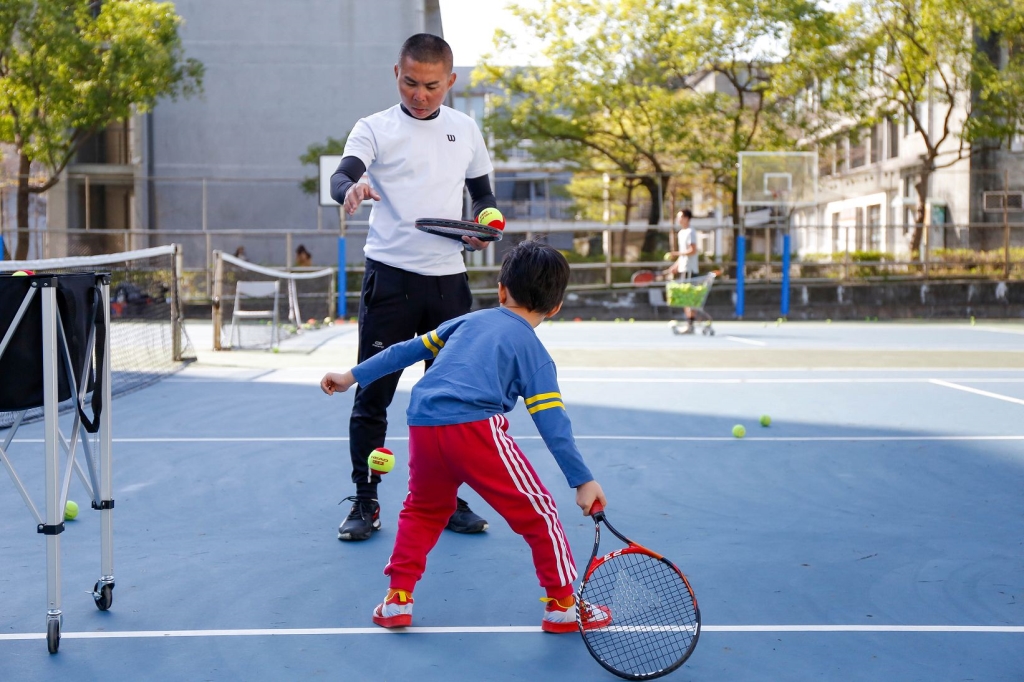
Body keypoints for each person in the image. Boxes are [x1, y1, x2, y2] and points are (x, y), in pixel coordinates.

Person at [320, 240, 610, 633]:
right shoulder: (535, 353)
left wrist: (350, 376)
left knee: (423, 511)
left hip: (423, 424)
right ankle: (561, 605)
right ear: (556, 307)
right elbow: (553, 423)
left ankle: (397, 600)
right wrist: (582, 480)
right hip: (474, 430)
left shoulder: (465, 322)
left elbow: (403, 351)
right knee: (538, 512)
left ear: (501, 291)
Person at [328, 34, 497, 541]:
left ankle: (445, 500)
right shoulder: (373, 127)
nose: (419, 95)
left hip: (449, 284)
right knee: (373, 395)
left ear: (451, 81)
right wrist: (351, 189)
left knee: (449, 401)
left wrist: (486, 224)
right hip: (391, 281)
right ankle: (366, 500)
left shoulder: (466, 129)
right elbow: (342, 176)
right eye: (409, 83)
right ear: (395, 74)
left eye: (431, 86)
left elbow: (483, 197)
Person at [662, 209, 699, 333]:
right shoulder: (681, 233)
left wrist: (676, 253)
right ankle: (689, 323)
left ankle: (690, 324)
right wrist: (675, 266)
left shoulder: (691, 232)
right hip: (683, 269)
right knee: (684, 298)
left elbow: (693, 250)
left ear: (687, 218)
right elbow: (683, 254)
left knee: (689, 298)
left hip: (690, 270)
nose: (678, 219)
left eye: (680, 217)